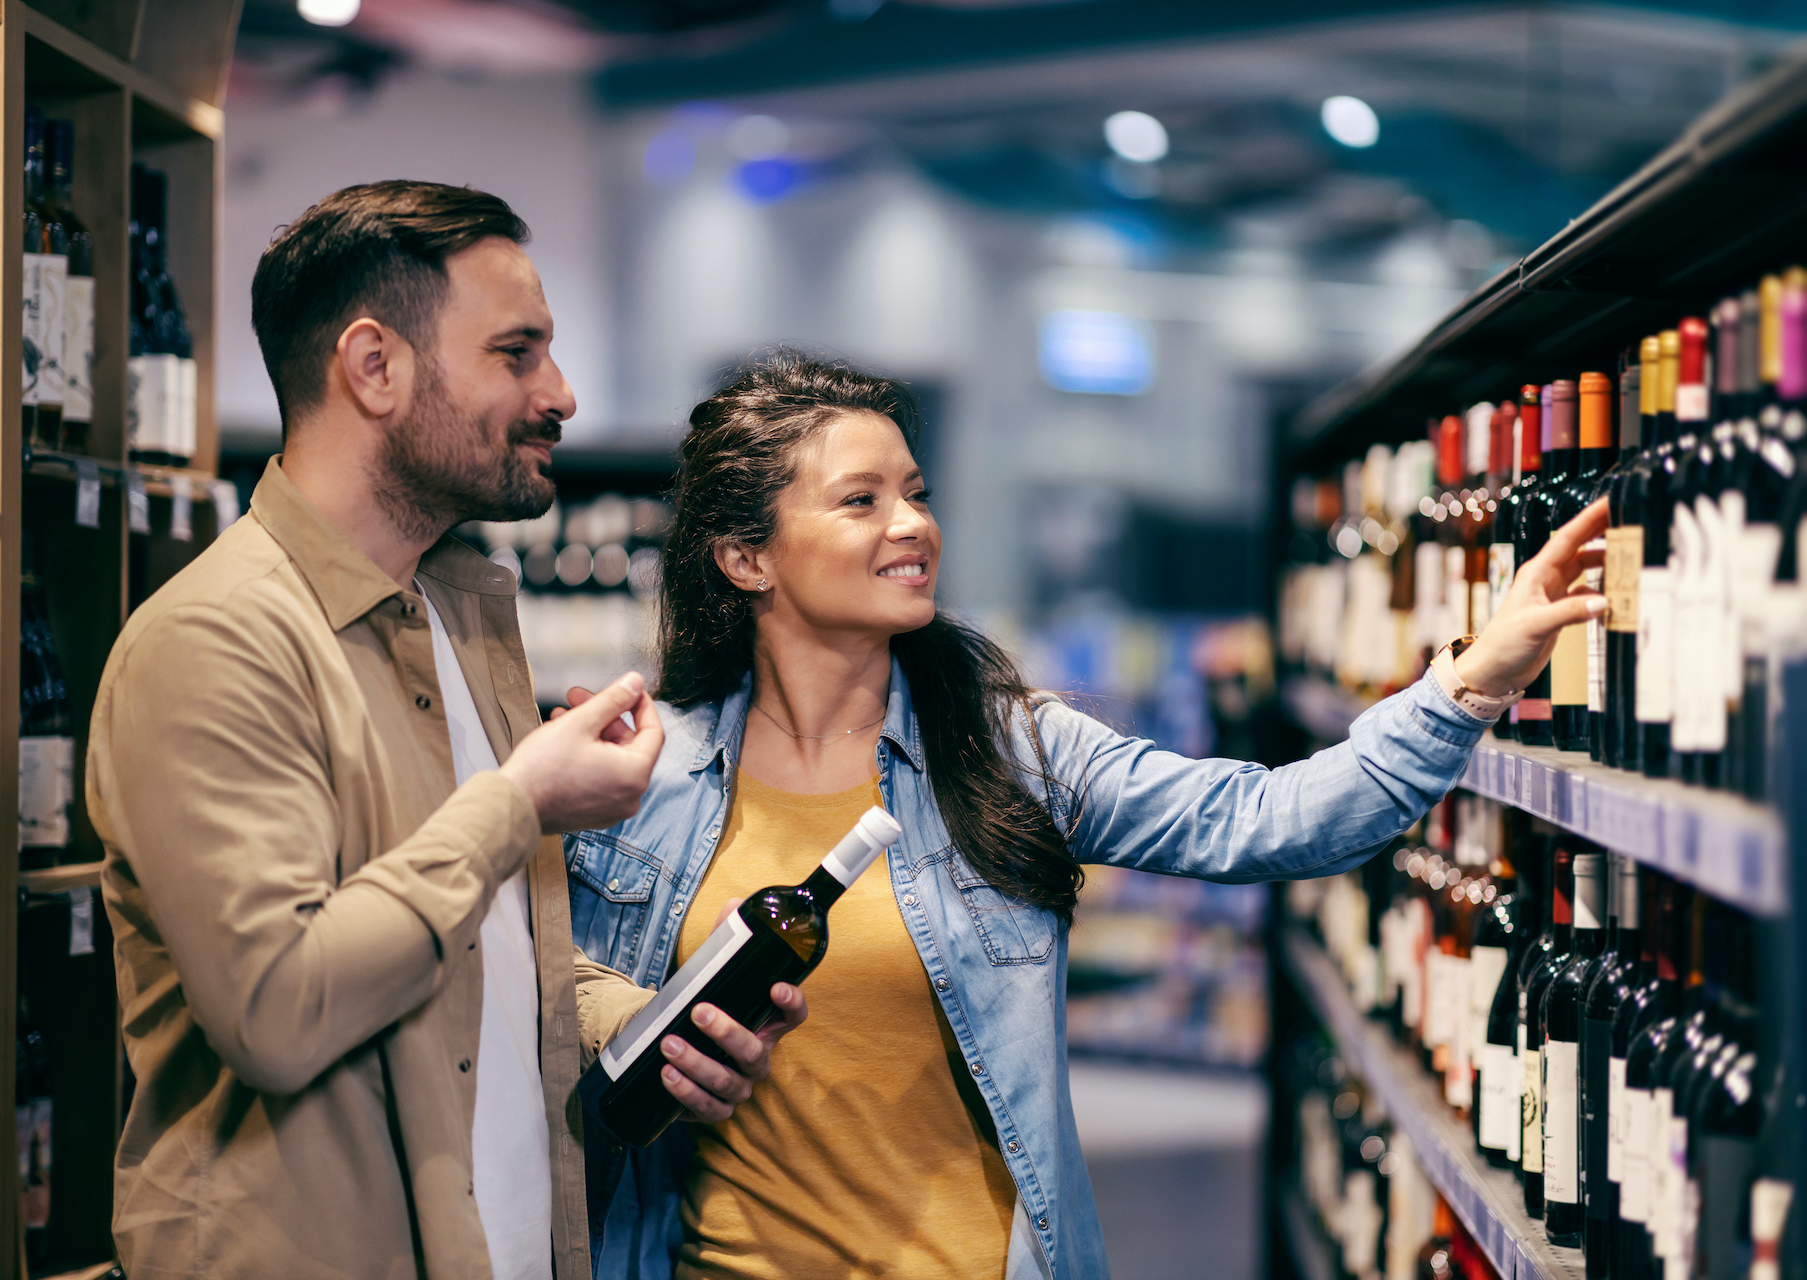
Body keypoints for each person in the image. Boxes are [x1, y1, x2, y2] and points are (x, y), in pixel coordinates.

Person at [561, 352, 1610, 1280]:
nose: (914, 524)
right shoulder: (641, 772)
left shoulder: (1013, 752)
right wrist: (609, 1013)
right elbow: (529, 991)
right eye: (861, 500)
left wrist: (1472, 678)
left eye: (917, 493)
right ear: (747, 558)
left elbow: (1267, 818)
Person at [86, 182, 804, 1280]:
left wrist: (647, 1021)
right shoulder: (213, 641)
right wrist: (520, 803)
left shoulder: (460, 615)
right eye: (516, 352)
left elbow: (481, 956)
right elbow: (277, 1006)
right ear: (374, 367)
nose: (561, 394)